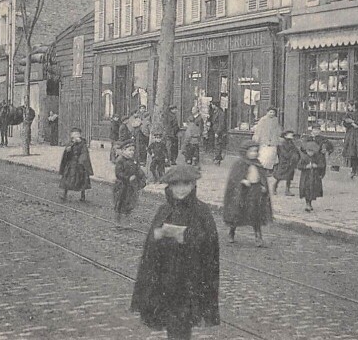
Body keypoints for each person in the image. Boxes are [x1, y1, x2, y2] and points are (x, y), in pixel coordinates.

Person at [131, 164, 220, 340]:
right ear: (169, 186)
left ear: (194, 185)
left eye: (186, 184)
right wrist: (157, 236)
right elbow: (150, 249)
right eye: (175, 184)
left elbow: (210, 247)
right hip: (165, 278)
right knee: (173, 322)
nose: (181, 189)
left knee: (181, 324)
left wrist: (184, 236)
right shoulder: (164, 210)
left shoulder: (201, 211)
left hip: (189, 280)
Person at [223, 140, 272, 247]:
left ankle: (258, 236)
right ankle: (232, 232)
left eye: (255, 151)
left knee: (255, 213)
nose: (254, 153)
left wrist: (263, 186)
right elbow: (234, 178)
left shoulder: (258, 163)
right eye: (251, 151)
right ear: (245, 152)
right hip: (243, 191)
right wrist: (242, 180)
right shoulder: (240, 164)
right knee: (237, 212)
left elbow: (261, 177)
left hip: (255, 191)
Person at [113, 139, 147, 226]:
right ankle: (118, 221)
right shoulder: (120, 160)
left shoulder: (133, 161)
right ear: (124, 150)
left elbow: (138, 170)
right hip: (121, 185)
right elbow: (118, 174)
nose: (131, 152)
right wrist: (128, 178)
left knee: (129, 202)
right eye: (129, 150)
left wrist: (142, 177)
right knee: (120, 203)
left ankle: (127, 220)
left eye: (133, 150)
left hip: (130, 187)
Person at [299, 126, 332, 212]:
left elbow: (329, 146)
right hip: (307, 171)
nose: (316, 131)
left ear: (320, 131)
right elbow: (302, 148)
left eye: (317, 130)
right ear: (312, 130)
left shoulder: (323, 139)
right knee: (307, 188)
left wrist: (326, 150)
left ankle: (320, 177)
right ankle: (308, 203)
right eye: (314, 130)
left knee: (316, 181)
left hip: (318, 158)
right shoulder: (307, 138)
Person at [58, 127, 93, 202]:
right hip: (71, 163)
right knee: (67, 179)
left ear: (80, 135)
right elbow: (66, 154)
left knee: (82, 180)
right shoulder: (70, 143)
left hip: (80, 164)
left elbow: (84, 153)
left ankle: (83, 196)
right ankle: (64, 194)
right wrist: (68, 151)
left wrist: (81, 161)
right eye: (74, 134)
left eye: (77, 134)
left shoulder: (83, 143)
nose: (75, 136)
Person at [252, 106, 283, 173]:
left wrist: (277, 137)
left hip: (273, 140)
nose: (272, 114)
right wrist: (257, 138)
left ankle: (269, 169)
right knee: (264, 156)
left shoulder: (275, 120)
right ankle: (262, 169)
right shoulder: (263, 120)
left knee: (272, 155)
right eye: (270, 112)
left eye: (273, 112)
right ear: (267, 112)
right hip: (264, 140)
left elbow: (277, 130)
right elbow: (259, 130)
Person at [343, 102, 358, 178]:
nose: (348, 108)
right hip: (350, 135)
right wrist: (352, 124)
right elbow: (345, 123)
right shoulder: (348, 114)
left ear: (354, 106)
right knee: (352, 152)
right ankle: (353, 170)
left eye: (349, 106)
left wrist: (352, 122)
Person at [273, 130, 300, 196]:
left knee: (289, 177)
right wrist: (291, 154)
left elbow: (296, 150)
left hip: (291, 161)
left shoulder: (291, 142)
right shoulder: (281, 143)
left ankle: (287, 190)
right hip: (284, 161)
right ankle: (275, 187)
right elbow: (283, 153)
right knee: (280, 176)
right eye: (290, 135)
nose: (292, 136)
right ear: (285, 135)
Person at [209, 101, 227, 165]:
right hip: (214, 131)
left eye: (212, 105)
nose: (211, 106)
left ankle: (217, 159)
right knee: (215, 144)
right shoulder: (214, 112)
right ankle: (217, 157)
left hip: (218, 132)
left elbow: (221, 124)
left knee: (218, 145)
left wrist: (217, 132)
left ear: (215, 105)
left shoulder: (221, 113)